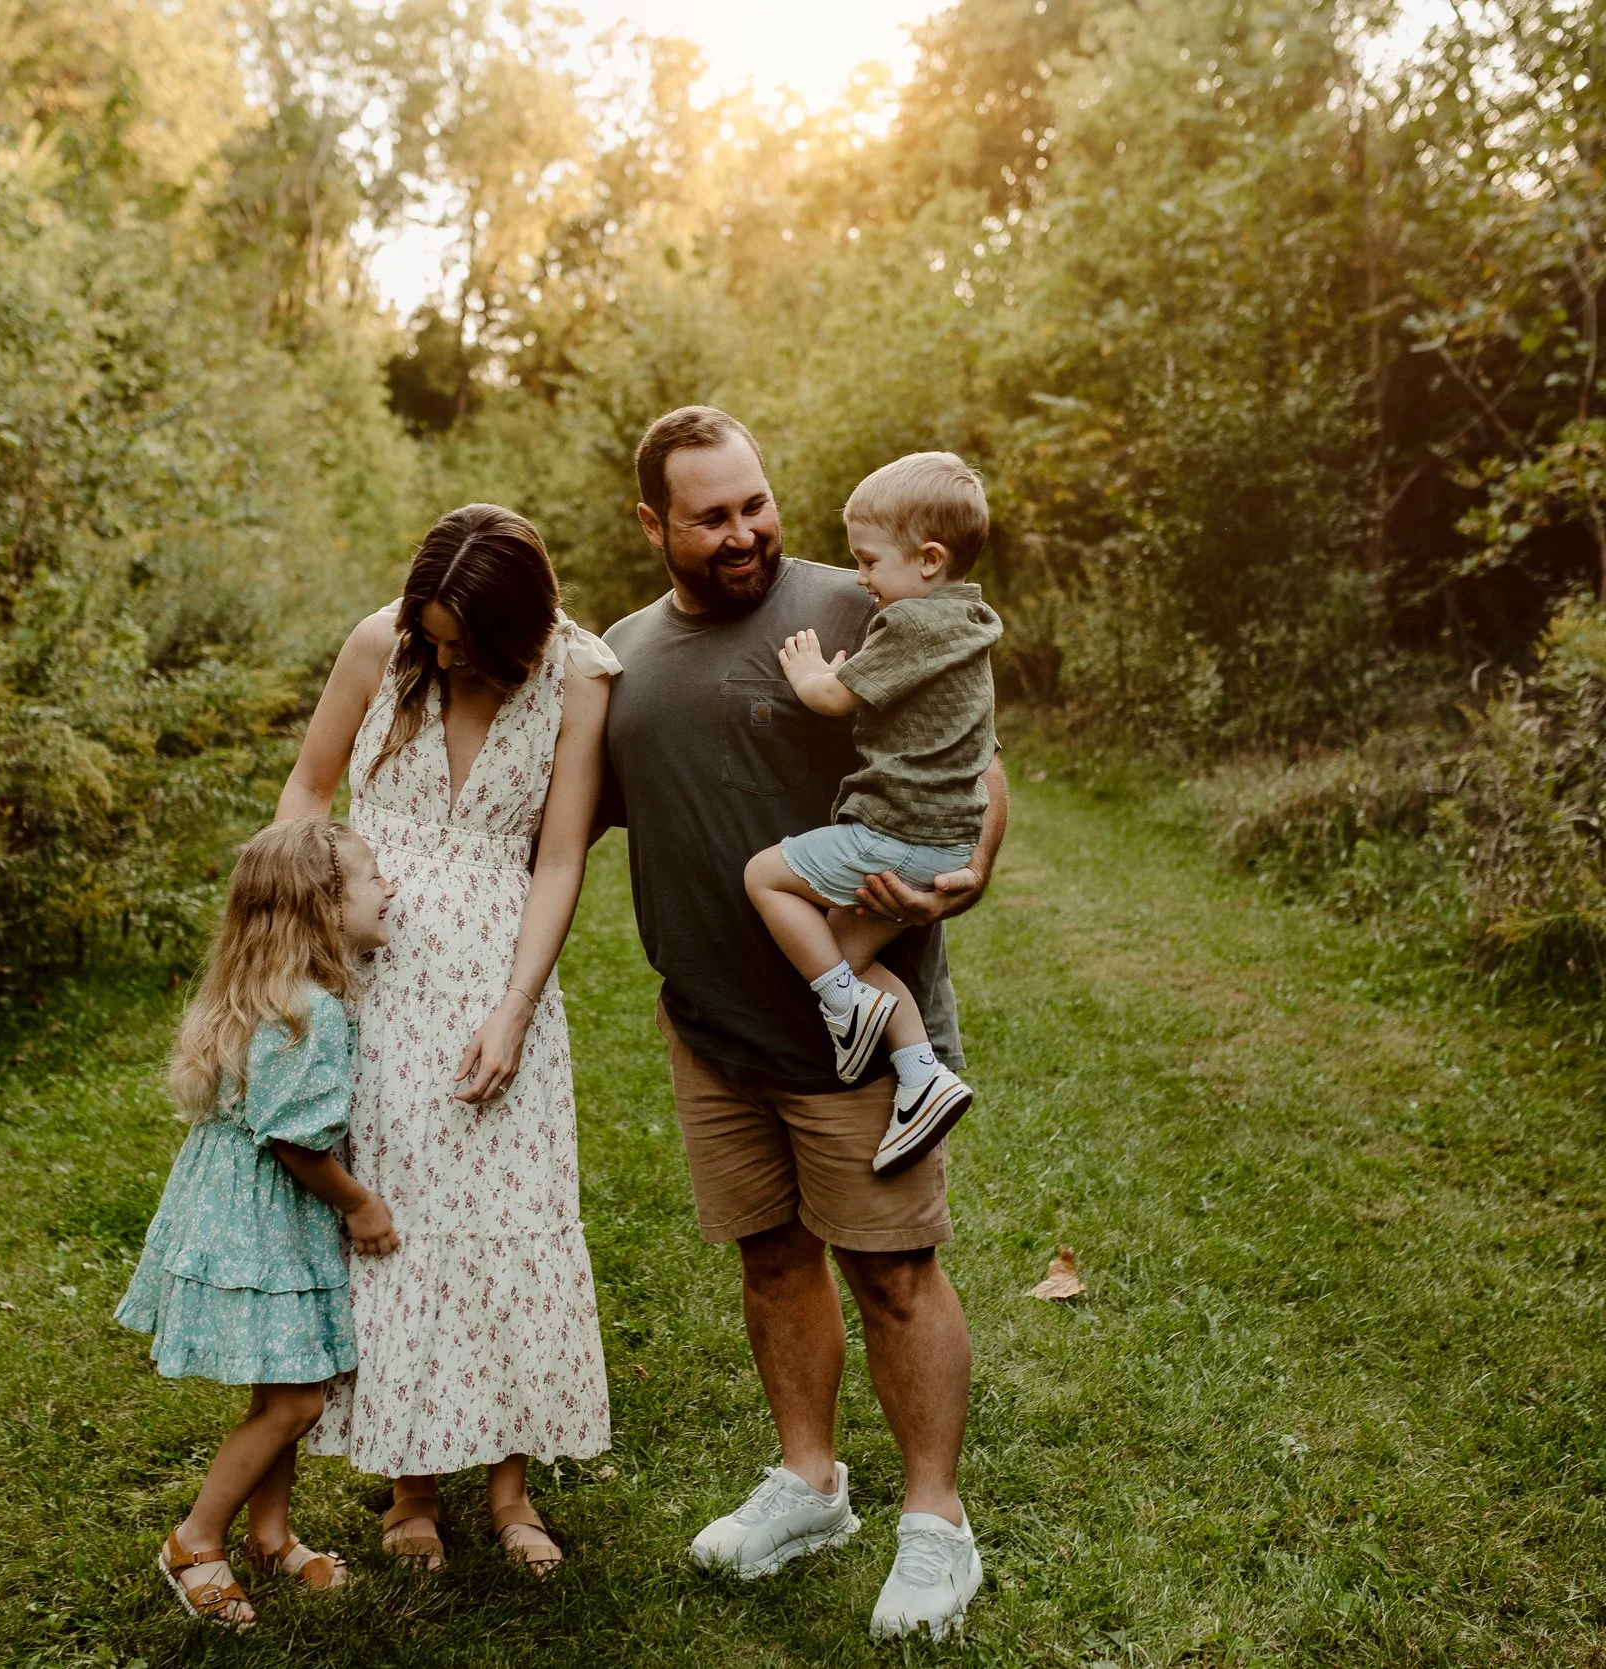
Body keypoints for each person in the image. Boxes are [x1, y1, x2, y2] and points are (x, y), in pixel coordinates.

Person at [599, 407, 1006, 1640]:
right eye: (712, 514)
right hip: (714, 1028)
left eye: (756, 503)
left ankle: (935, 1527)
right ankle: (808, 1485)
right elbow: (562, 823)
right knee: (771, 1259)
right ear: (653, 523)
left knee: (891, 1271)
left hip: (856, 1038)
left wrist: (973, 869)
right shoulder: (620, 661)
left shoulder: (866, 600)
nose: (744, 533)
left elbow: (977, 768)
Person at [276, 504, 616, 1576]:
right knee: (398, 1213)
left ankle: (511, 1487)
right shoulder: (383, 644)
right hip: (369, 965)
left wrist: (517, 1003)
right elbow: (306, 789)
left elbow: (559, 856)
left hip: (494, 973)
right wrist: (291, 939)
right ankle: (410, 1483)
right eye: (435, 635)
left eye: (467, 644)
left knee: (508, 1207)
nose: (445, 655)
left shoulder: (581, 677)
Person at [114, 818, 400, 1628]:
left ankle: (271, 1535)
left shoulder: (278, 988)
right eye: (371, 877)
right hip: (268, 1220)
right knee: (296, 1402)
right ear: (320, 905)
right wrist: (361, 1202)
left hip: (245, 1210)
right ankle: (196, 1541)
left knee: (283, 1381)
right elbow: (292, 1140)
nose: (390, 888)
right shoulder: (311, 1009)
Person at [745, 451, 1002, 1174]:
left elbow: (832, 698)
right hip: (943, 841)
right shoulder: (968, 620)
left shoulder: (910, 623)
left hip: (897, 830)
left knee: (764, 876)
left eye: (868, 562)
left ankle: (844, 1009)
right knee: (845, 956)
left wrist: (806, 670)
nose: (860, 579)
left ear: (927, 560)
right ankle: (922, 1077)